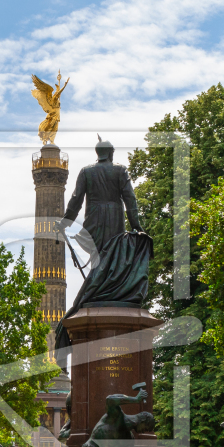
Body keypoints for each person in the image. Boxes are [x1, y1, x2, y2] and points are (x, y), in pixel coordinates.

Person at [54, 137, 153, 354]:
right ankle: (102, 292)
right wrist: (136, 226)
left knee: (99, 260)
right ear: (111, 153)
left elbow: (76, 200)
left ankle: (97, 293)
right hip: (115, 217)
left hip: (94, 219)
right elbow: (130, 199)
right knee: (112, 258)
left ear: (98, 153)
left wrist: (65, 223)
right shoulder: (120, 170)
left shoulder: (86, 172)